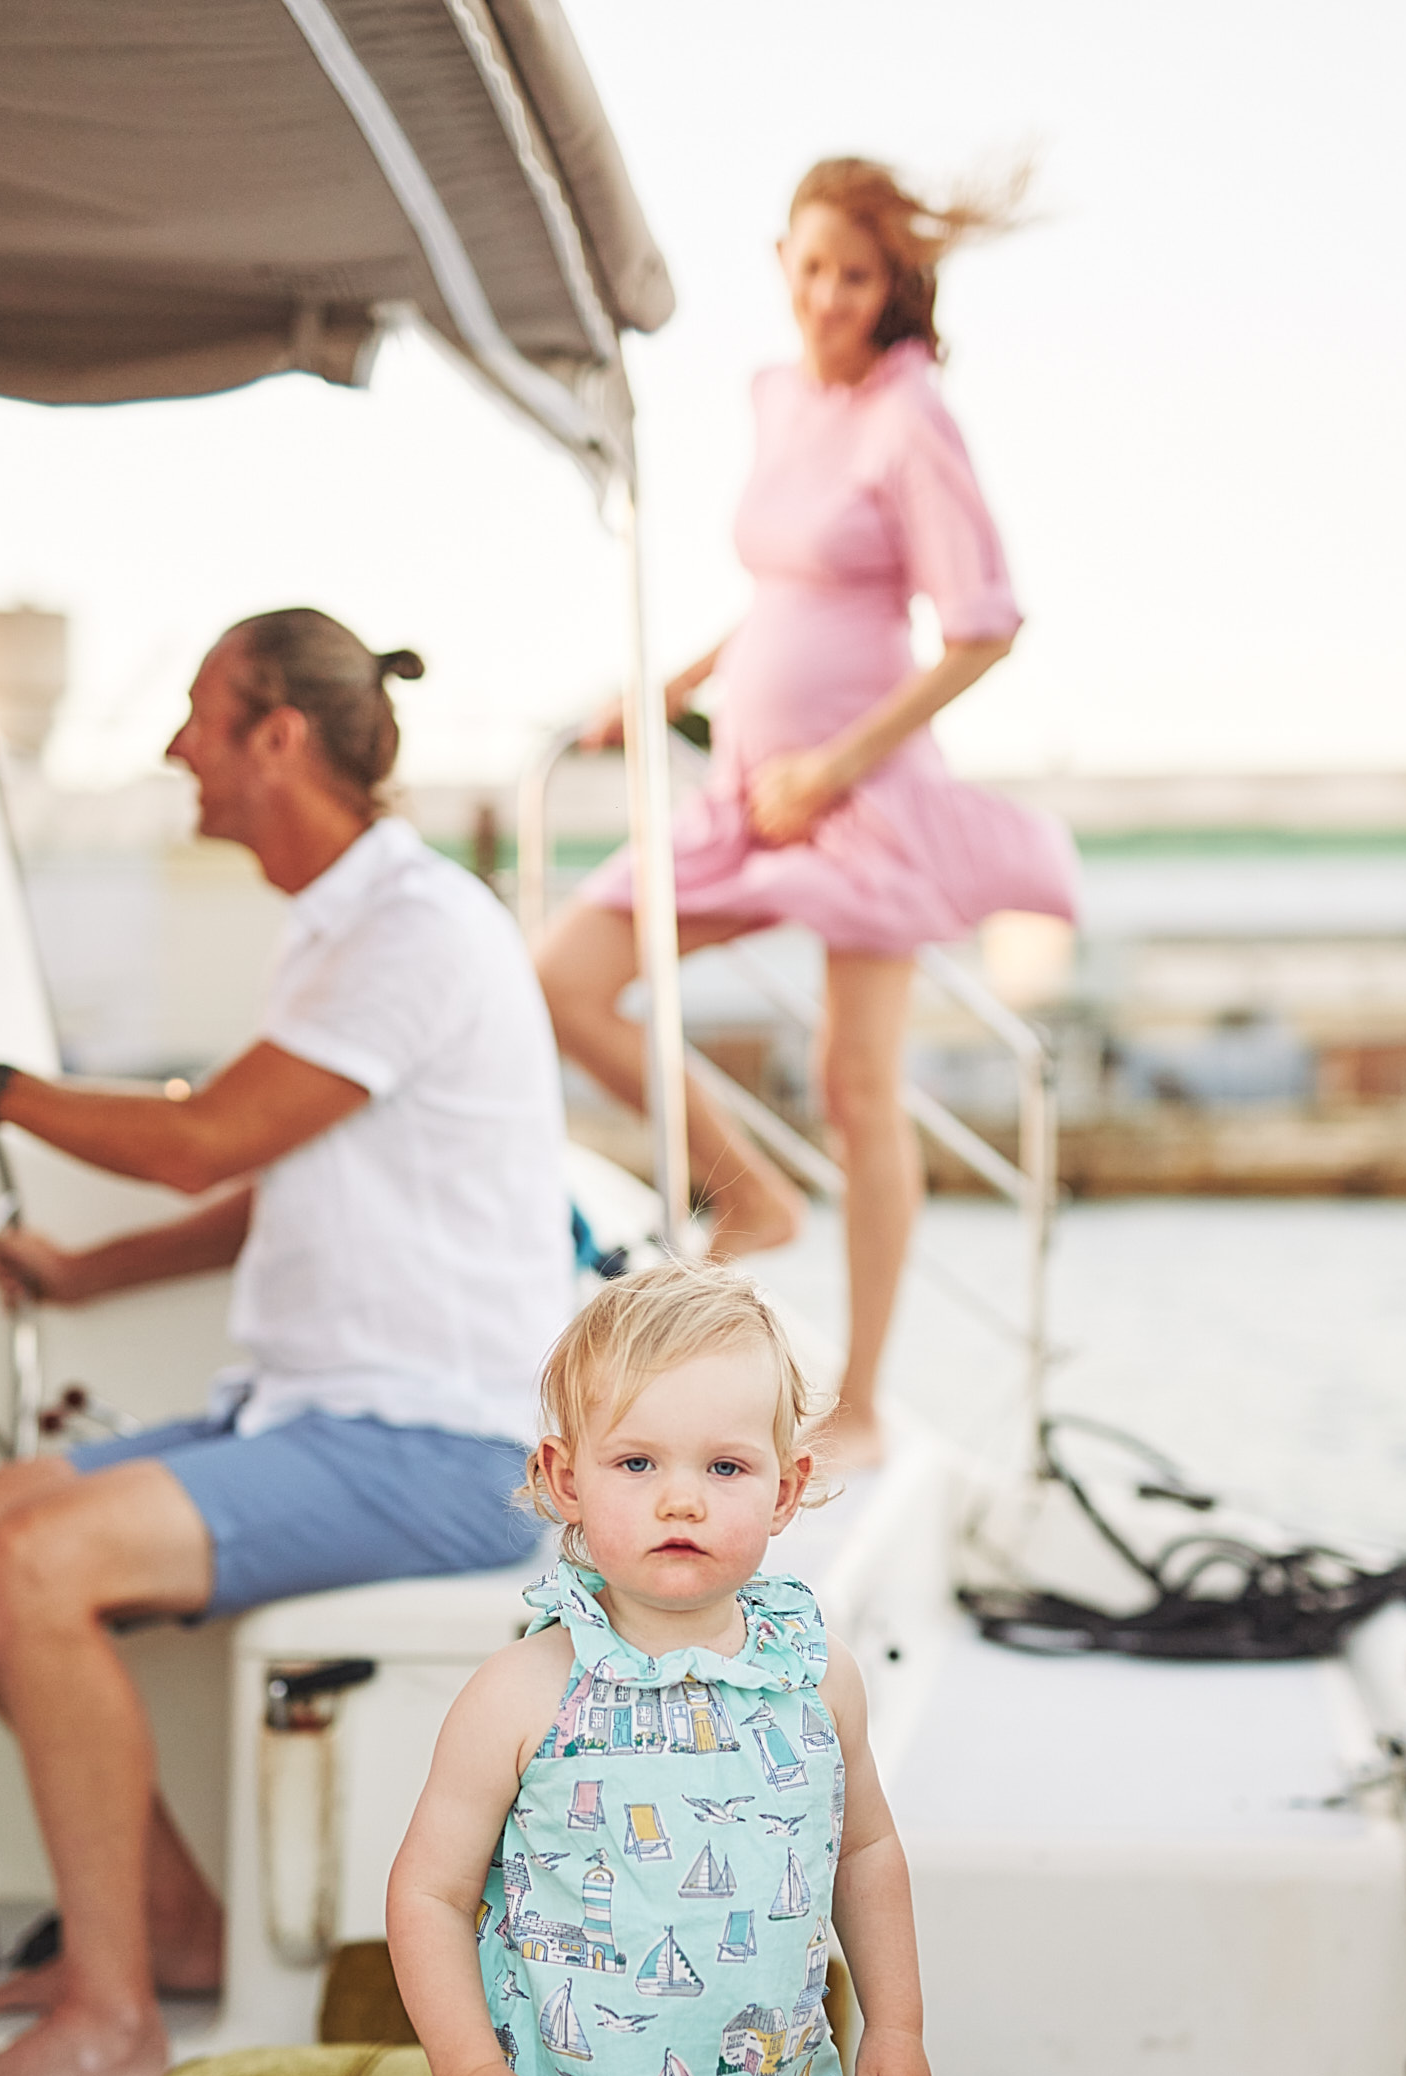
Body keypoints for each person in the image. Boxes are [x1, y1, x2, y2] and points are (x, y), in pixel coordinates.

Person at [0, 608, 573, 2076]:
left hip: (437, 1445)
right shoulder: (334, 926)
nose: (175, 746)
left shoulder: (414, 927)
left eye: (200, 713)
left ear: (279, 736)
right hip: (310, 1413)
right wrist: (90, 1273)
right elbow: (282, 1181)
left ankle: (111, 2020)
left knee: (41, 1562)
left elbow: (205, 1138)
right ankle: (174, 1927)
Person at [539, 157, 1079, 1467]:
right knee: (562, 976)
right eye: (815, 267)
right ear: (780, 259)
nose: (829, 296)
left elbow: (983, 626)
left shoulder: (912, 416)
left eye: (858, 276)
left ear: (894, 285)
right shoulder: (777, 396)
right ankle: (752, 1195)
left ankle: (865, 1404)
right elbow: (789, 585)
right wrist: (674, 685)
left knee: (857, 1084)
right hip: (744, 792)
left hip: (859, 797)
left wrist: (834, 767)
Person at [387, 1263, 930, 2076]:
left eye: (725, 1467)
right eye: (637, 1463)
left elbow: (865, 1851)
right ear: (563, 1477)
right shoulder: (524, 1691)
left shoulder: (815, 1675)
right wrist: (470, 2073)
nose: (681, 1498)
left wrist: (895, 2022)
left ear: (786, 1488)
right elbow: (426, 1895)